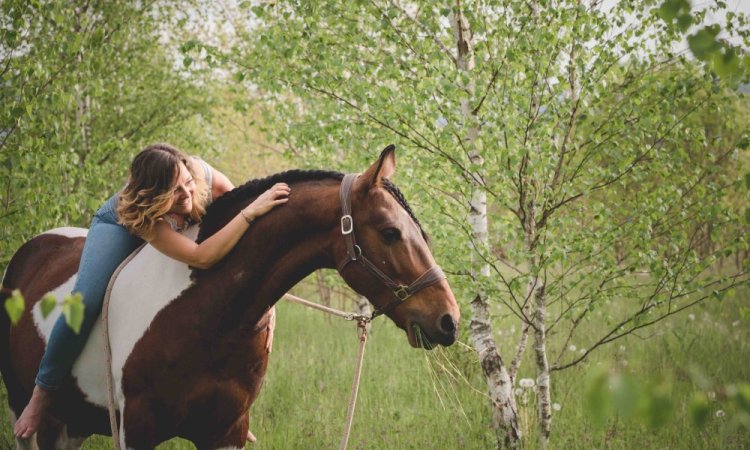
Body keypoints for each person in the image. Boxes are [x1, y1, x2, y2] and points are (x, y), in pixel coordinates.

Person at [13, 143, 289, 442]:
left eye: (187, 183)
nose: (187, 194)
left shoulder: (204, 178)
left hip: (171, 222)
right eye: (175, 191)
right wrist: (249, 213)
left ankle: (220, 412)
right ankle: (42, 392)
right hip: (119, 226)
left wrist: (268, 308)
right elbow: (201, 256)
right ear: (154, 195)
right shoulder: (140, 213)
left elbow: (245, 255)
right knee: (86, 302)